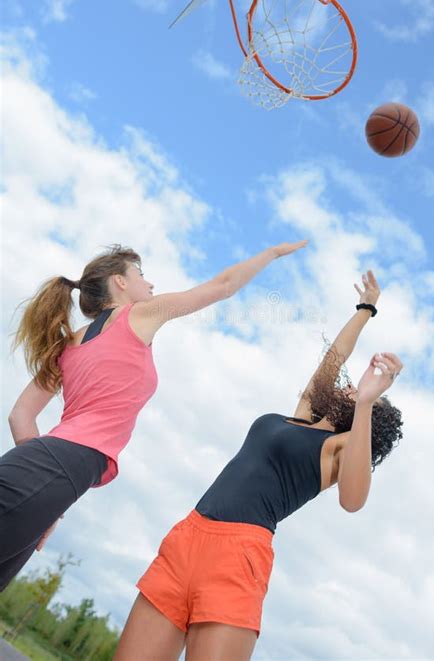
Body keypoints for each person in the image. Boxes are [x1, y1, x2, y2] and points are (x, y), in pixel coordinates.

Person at [114, 270, 404, 661]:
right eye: (357, 387)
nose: (354, 385)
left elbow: (353, 501)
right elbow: (334, 357)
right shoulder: (302, 415)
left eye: (362, 395)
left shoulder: (338, 447)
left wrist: (369, 401)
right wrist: (366, 309)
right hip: (188, 535)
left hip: (238, 555)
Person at [0, 240, 307, 591]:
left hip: (52, 469)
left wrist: (45, 495)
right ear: (120, 282)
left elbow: (20, 417)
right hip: (61, 467)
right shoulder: (136, 315)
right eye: (141, 275)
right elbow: (222, 286)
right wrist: (272, 253)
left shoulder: (68, 343)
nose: (150, 284)